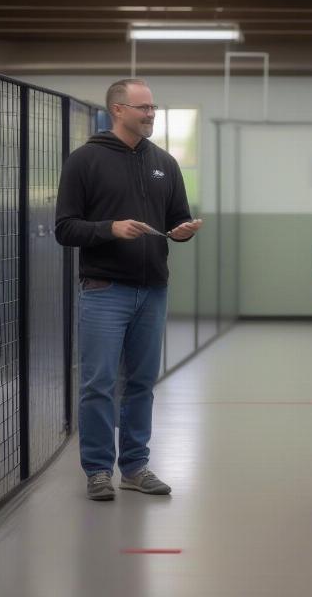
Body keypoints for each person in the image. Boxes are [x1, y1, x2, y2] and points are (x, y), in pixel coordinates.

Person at [55, 78, 203, 500]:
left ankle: (135, 467)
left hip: (152, 290)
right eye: (144, 107)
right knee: (99, 383)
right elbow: (65, 228)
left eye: (153, 107)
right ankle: (98, 471)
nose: (151, 114)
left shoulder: (165, 164)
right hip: (104, 291)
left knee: (140, 382)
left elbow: (177, 221)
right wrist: (110, 229)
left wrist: (184, 232)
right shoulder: (85, 161)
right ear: (118, 109)